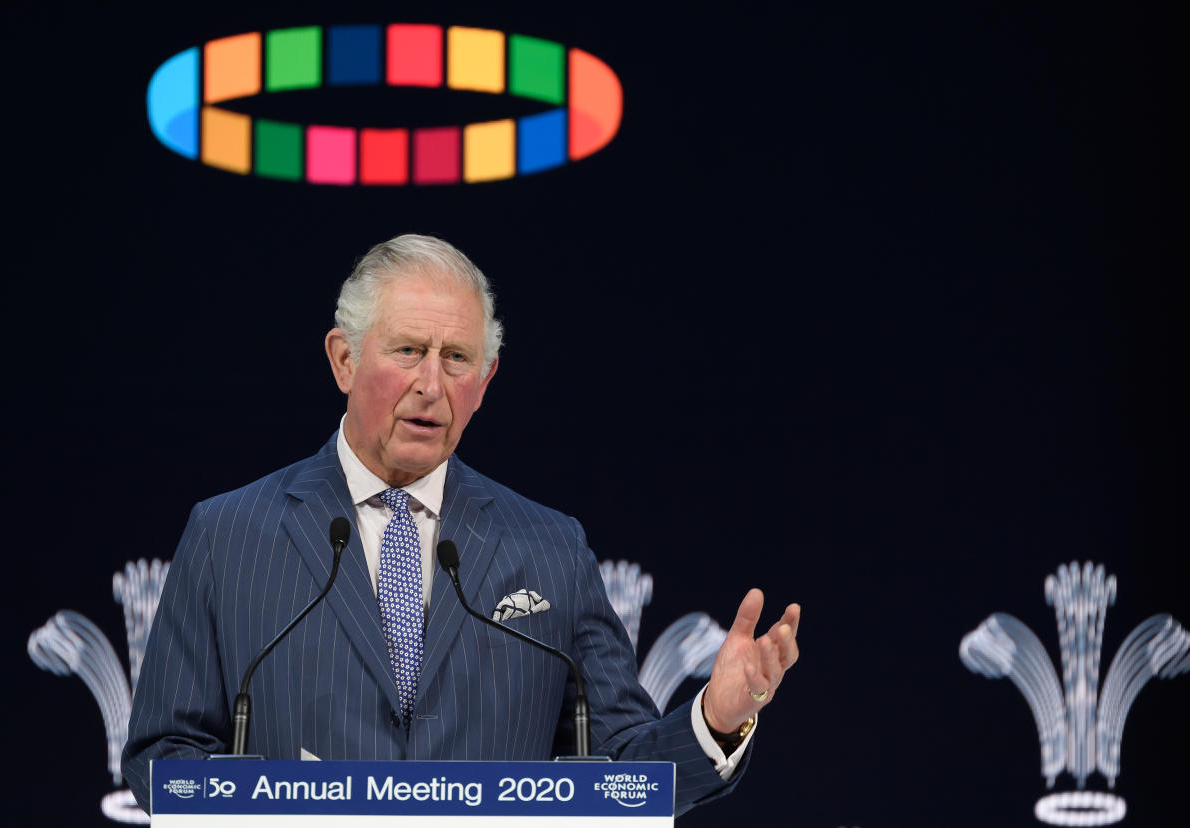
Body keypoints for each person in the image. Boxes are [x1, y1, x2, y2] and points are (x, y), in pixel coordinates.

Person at [122, 234, 801, 816]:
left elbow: (622, 768)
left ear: (487, 377)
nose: (431, 384)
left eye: (457, 358)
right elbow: (163, 757)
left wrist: (715, 718)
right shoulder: (228, 536)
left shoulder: (550, 549)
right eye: (409, 350)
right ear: (343, 359)